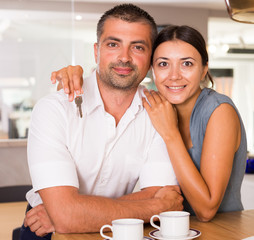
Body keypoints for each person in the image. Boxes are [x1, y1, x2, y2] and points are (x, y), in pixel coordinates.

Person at [21, 4, 183, 240]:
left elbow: (159, 191)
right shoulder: (53, 109)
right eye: (113, 44)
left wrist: (74, 211)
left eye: (137, 47)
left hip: (120, 229)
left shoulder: (159, 113)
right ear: (96, 50)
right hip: (46, 227)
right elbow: (65, 219)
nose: (124, 57)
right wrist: (157, 208)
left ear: (150, 58)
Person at [56, 25, 247, 222]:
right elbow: (109, 80)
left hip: (222, 231)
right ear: (151, 68)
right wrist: (74, 74)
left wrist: (170, 134)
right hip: (172, 228)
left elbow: (206, 210)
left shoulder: (219, 111)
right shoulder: (154, 105)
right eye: (163, 64)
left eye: (187, 64)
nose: (174, 75)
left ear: (204, 69)